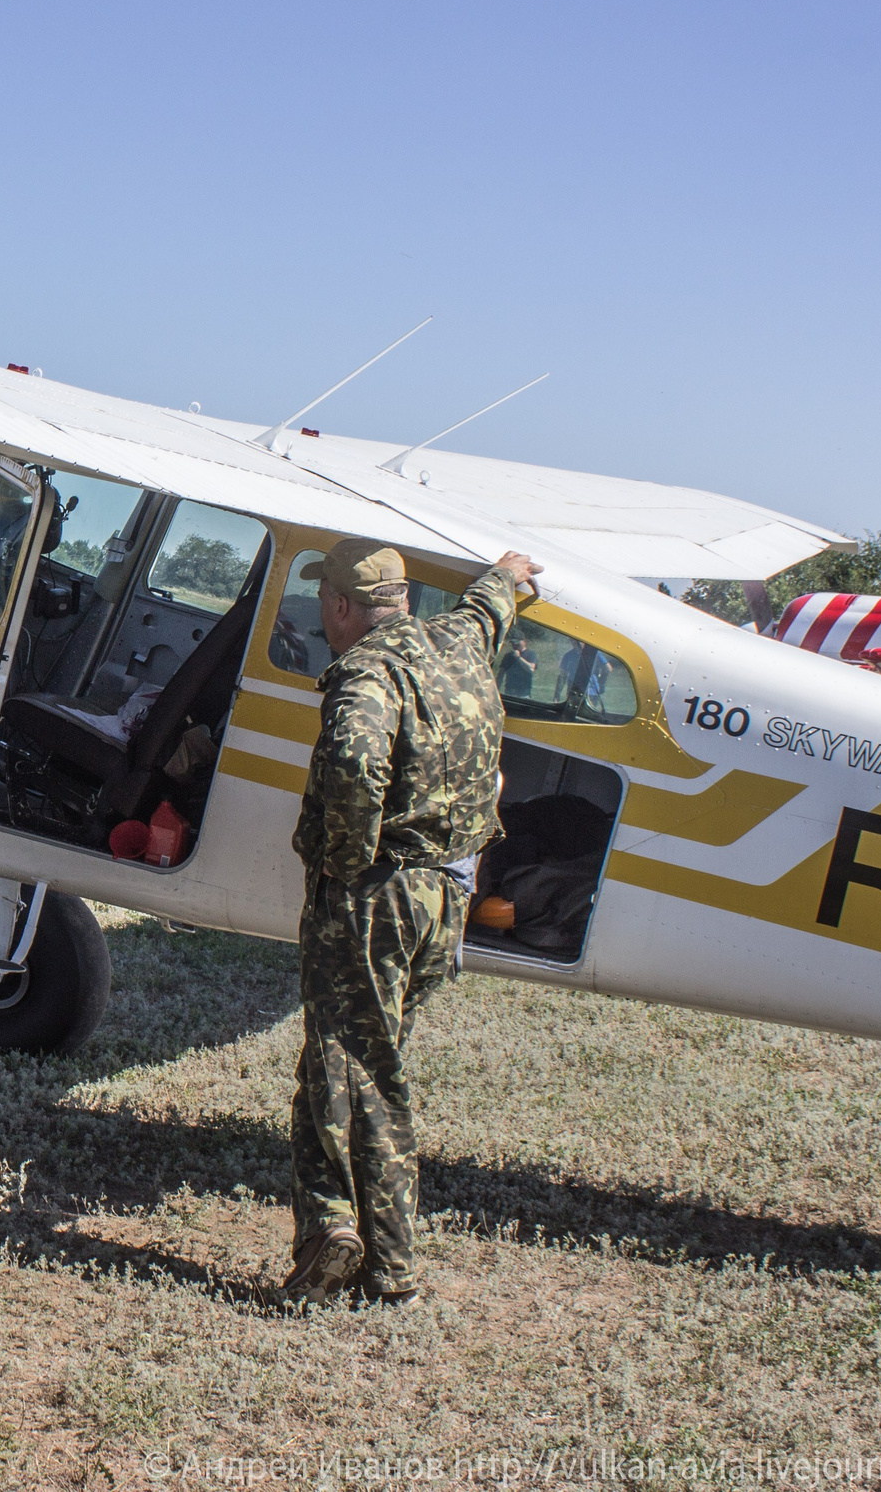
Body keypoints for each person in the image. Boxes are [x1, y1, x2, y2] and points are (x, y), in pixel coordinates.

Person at [283, 537, 539, 1305]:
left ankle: (387, 1266)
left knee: (361, 1072)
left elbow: (357, 765)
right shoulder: (456, 638)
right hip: (447, 898)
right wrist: (508, 574)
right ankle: (327, 1227)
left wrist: (345, 860)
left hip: (379, 895)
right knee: (343, 1060)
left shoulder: (366, 673)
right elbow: (486, 607)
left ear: (339, 606)